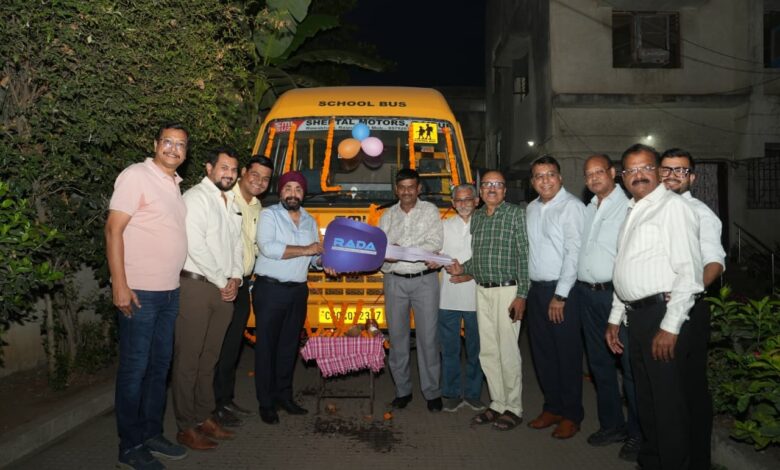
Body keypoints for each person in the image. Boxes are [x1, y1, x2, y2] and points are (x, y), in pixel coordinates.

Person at [606, 143, 703, 470]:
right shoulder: (634, 210)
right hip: (637, 317)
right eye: (631, 170)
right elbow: (624, 268)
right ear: (622, 177)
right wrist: (615, 318)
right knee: (646, 400)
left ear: (659, 171)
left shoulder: (673, 208)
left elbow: (689, 273)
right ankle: (651, 461)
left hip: (662, 316)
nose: (639, 175)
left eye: (646, 167)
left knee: (667, 405)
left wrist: (670, 327)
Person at [106, 123, 190, 469]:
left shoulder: (174, 185)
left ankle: (151, 433)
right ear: (155, 144)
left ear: (185, 152)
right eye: (167, 141)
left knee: (159, 369)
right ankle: (129, 446)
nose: (173, 148)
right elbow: (113, 229)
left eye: (180, 144)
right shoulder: (136, 176)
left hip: (169, 293)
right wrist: (119, 284)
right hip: (140, 293)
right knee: (135, 371)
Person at [445, 170, 529, 431]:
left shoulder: (516, 214)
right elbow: (479, 257)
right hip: (482, 291)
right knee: (488, 351)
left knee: (508, 351)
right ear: (481, 192)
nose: (492, 188)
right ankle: (498, 402)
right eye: (487, 184)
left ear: (504, 190)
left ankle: (514, 407)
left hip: (508, 291)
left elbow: (525, 256)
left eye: (498, 184)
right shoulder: (478, 218)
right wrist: (463, 268)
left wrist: (522, 295)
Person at [172, 148, 243, 450]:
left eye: (233, 170)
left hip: (224, 289)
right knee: (189, 359)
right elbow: (194, 245)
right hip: (197, 286)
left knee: (210, 358)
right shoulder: (195, 198)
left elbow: (237, 244)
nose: (229, 174)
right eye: (224, 168)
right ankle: (185, 426)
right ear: (209, 168)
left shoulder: (230, 202)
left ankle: (204, 416)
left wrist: (236, 277)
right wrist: (222, 280)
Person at [660, 148, 726, 469]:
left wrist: (688, 289)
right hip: (655, 311)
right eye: (667, 169)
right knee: (664, 389)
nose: (672, 175)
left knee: (691, 390)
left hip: (688, 312)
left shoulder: (700, 213)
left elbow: (714, 262)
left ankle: (698, 461)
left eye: (681, 170)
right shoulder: (652, 209)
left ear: (692, 177)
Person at [574, 154, 641, 460]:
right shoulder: (588, 208)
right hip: (587, 295)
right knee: (599, 363)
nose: (594, 178)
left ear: (613, 173)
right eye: (589, 174)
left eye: (599, 171)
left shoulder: (629, 206)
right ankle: (612, 425)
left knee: (628, 366)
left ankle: (638, 433)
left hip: (617, 296)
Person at [254, 171, 326, 425]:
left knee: (288, 347)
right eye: (288, 188)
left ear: (303, 194)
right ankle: (266, 403)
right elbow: (268, 248)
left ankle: (284, 396)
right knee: (266, 348)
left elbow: (314, 258)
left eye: (298, 189)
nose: (292, 193)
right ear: (280, 191)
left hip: (298, 291)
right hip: (270, 290)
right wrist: (307, 249)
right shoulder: (269, 215)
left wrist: (324, 261)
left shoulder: (309, 220)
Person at [525, 155, 586, 440]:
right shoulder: (531, 208)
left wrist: (560, 295)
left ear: (560, 178)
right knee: (543, 354)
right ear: (532, 182)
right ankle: (552, 408)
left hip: (563, 292)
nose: (545, 180)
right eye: (539, 176)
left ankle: (572, 414)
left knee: (567, 355)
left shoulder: (572, 206)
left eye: (550, 174)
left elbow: (574, 253)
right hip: (536, 290)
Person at [213, 155, 274, 427]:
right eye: (255, 175)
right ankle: (211, 406)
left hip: (243, 284)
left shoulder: (258, 207)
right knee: (215, 348)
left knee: (231, 348)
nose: (259, 182)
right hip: (221, 282)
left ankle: (225, 400)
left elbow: (256, 247)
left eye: (265, 179)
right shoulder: (225, 199)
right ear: (244, 173)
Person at [379, 168, 444, 412]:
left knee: (428, 339)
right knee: (397, 339)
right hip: (394, 280)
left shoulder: (430, 211)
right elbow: (381, 248)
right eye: (402, 187)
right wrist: (389, 255)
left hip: (424, 281)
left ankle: (432, 392)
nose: (406, 191)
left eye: (411, 187)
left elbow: (435, 242)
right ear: (396, 190)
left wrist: (400, 250)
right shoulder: (387, 215)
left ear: (419, 189)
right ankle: (402, 390)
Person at [437, 184, 485, 412]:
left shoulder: (485, 224)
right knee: (450, 350)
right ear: (453, 203)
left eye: (468, 199)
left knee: (477, 350)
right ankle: (451, 392)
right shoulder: (443, 226)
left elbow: (488, 259)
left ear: (477, 201)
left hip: (478, 297)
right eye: (458, 200)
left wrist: (468, 274)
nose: (463, 204)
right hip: (448, 297)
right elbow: (435, 254)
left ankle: (474, 393)